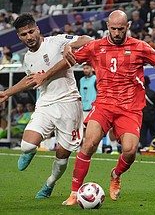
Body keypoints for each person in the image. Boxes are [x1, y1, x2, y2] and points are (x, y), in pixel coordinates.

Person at [26, 10, 155, 205]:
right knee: (89, 144)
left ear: (127, 27)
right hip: (104, 104)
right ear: (107, 27)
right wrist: (47, 73)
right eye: (114, 29)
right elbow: (68, 61)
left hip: (130, 108)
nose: (118, 33)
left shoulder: (140, 47)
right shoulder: (96, 47)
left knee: (129, 151)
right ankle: (74, 192)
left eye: (121, 29)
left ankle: (116, 174)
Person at [0, 13, 93, 199]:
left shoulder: (57, 41)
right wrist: (6, 93)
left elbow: (88, 39)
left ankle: (49, 183)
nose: (29, 37)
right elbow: (30, 80)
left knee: (62, 154)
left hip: (69, 103)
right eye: (24, 34)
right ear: (18, 36)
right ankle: (30, 152)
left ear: (38, 29)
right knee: (26, 145)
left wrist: (68, 46)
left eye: (31, 32)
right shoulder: (27, 58)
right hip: (45, 104)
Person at [139, 76, 155, 149]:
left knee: (142, 133)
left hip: (142, 116)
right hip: (151, 116)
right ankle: (153, 148)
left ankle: (142, 148)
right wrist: (152, 112)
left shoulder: (139, 93)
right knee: (153, 133)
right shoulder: (152, 93)